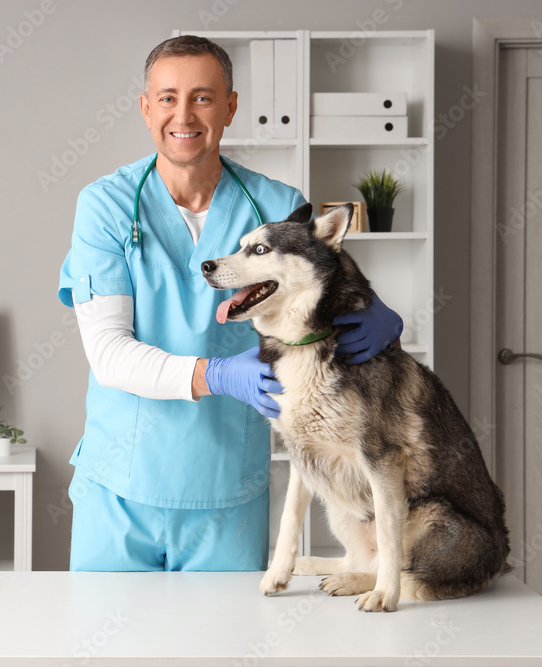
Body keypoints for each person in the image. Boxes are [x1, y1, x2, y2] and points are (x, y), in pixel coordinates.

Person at [57, 35, 402, 572]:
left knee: (225, 649)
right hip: (121, 486)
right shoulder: (105, 205)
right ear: (146, 109)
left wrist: (378, 312)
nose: (184, 114)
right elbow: (107, 353)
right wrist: (216, 374)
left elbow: (320, 298)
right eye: (167, 97)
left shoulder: (279, 206)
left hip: (228, 491)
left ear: (230, 106)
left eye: (203, 96)